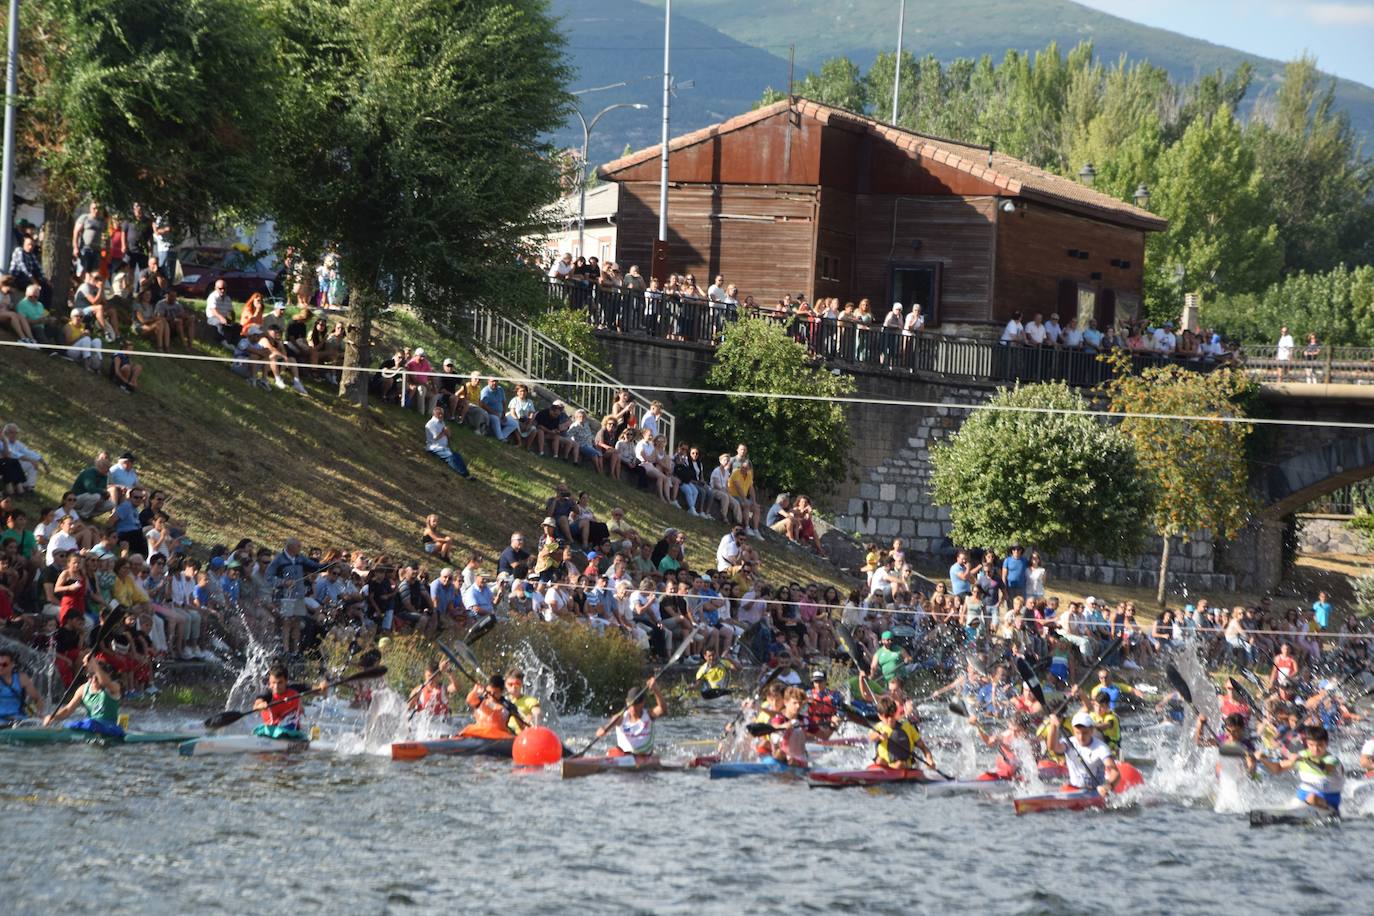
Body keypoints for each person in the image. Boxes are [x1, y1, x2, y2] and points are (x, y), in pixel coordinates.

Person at [1260, 724, 1343, 814]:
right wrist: (1263, 759)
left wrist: (1304, 760)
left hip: (1328, 800)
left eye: (1320, 745)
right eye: (1311, 745)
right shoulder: (1302, 754)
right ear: (1307, 743)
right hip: (1303, 797)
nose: (1315, 749)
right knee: (1297, 802)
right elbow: (1278, 769)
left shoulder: (1332, 760)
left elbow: (1324, 770)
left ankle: (1301, 813)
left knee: (1312, 797)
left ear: (1326, 743)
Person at [43, 652, 123, 738]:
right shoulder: (83, 689)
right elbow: (67, 710)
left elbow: (105, 682)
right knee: (78, 723)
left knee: (90, 723)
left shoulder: (113, 687)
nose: (93, 679)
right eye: (90, 676)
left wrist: (94, 663)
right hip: (91, 726)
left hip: (110, 728)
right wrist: (53, 716)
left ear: (105, 675)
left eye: (96, 676)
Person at [1044, 710, 1120, 797]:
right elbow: (1052, 747)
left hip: (1095, 791)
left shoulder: (1101, 748)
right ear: (1073, 730)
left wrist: (1108, 786)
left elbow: (1115, 772)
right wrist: (1053, 726)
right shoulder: (1069, 742)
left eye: (1085, 733)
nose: (1081, 737)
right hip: (1074, 790)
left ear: (1091, 730)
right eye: (1077, 733)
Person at [252, 663, 327, 741]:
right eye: (273, 683)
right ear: (269, 682)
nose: (276, 686)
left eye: (280, 682)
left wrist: (322, 687)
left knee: (295, 727)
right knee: (281, 732)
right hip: (272, 731)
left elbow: (317, 690)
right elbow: (257, 703)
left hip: (292, 731)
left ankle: (309, 738)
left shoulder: (294, 688)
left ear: (286, 681)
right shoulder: (268, 693)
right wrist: (260, 705)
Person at [596, 678, 665, 758]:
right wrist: (603, 730)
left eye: (636, 704)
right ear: (626, 702)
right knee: (611, 752)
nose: (633, 707)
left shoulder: (649, 715)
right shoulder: (620, 718)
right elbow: (605, 727)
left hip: (643, 756)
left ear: (643, 703)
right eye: (631, 704)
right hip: (623, 755)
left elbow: (662, 709)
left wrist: (656, 690)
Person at [870, 695, 935, 772]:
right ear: (880, 716)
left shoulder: (906, 726)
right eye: (886, 717)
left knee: (899, 764)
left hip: (904, 765)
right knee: (879, 760)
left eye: (892, 715)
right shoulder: (878, 728)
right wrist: (879, 736)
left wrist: (929, 759)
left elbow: (923, 748)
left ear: (895, 713)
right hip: (884, 765)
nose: (890, 719)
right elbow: (871, 737)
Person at [1194, 712, 1258, 778]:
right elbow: (1199, 743)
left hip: (1239, 780)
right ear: (1225, 729)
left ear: (1242, 730)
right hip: (1221, 780)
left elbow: (1251, 765)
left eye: (1236, 732)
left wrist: (1248, 772)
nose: (1232, 735)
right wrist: (1200, 724)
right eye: (1229, 731)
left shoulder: (1247, 746)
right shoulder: (1221, 740)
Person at [461, 673, 517, 740]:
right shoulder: (481, 700)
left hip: (498, 737)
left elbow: (521, 726)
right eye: (490, 692)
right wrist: (475, 690)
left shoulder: (509, 706)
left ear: (502, 691)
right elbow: (470, 700)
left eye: (495, 692)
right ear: (487, 688)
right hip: (479, 733)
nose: (491, 695)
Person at [767, 686, 810, 768]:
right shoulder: (779, 719)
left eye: (800, 703)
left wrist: (833, 725)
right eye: (795, 703)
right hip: (782, 759)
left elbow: (824, 735)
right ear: (786, 702)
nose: (798, 706)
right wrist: (784, 726)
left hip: (801, 760)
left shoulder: (805, 720)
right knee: (781, 752)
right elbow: (774, 726)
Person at [424, 406, 471, 478]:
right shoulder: (431, 424)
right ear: (434, 414)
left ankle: (466, 472)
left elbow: (447, 436)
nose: (441, 415)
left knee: (457, 456)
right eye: (439, 414)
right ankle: (464, 474)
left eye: (442, 414)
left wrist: (448, 433)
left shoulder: (442, 423)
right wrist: (443, 432)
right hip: (435, 447)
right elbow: (435, 438)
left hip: (444, 447)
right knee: (451, 457)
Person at [0, 649, 43, 725]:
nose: (1, 667)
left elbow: (37, 699)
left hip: (18, 720)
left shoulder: (21, 678)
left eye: (4, 664)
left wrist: (39, 714)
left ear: (12, 664)